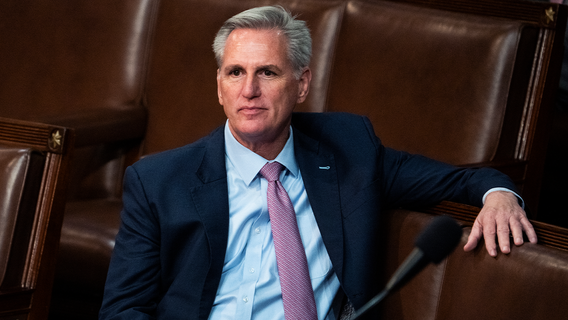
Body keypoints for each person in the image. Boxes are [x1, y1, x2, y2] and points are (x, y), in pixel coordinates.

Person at [99, 6, 536, 320]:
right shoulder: (159, 180)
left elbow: (460, 178)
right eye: (235, 73)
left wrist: (499, 196)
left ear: (302, 83)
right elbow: (123, 309)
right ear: (219, 86)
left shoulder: (350, 152)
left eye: (267, 72)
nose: (249, 90)